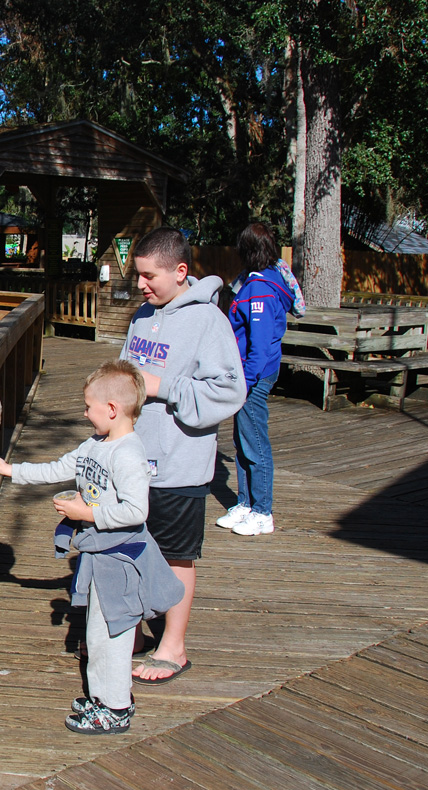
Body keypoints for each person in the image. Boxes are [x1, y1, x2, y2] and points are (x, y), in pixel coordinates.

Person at [0, 360, 183, 735]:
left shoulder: (128, 454)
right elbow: (57, 469)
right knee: (95, 634)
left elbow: (137, 510)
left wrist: (86, 512)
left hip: (120, 559)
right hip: (98, 555)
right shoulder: (94, 445)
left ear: (113, 409)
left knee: (113, 638)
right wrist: (9, 470)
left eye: (89, 406)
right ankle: (102, 696)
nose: (85, 413)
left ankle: (116, 708)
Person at [118, 226, 246, 684]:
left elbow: (231, 391)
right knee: (128, 546)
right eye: (138, 275)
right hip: (134, 461)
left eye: (149, 276)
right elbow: (127, 372)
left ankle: (173, 646)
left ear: (181, 271)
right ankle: (129, 632)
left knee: (175, 557)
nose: (141, 285)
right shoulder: (142, 314)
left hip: (179, 465)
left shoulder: (208, 321)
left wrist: (162, 386)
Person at [218, 223, 291, 537]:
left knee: (255, 444)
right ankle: (246, 503)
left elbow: (259, 346)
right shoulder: (260, 281)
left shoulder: (260, 290)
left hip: (253, 377)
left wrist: (244, 383)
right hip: (248, 374)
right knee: (242, 440)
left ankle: (263, 512)